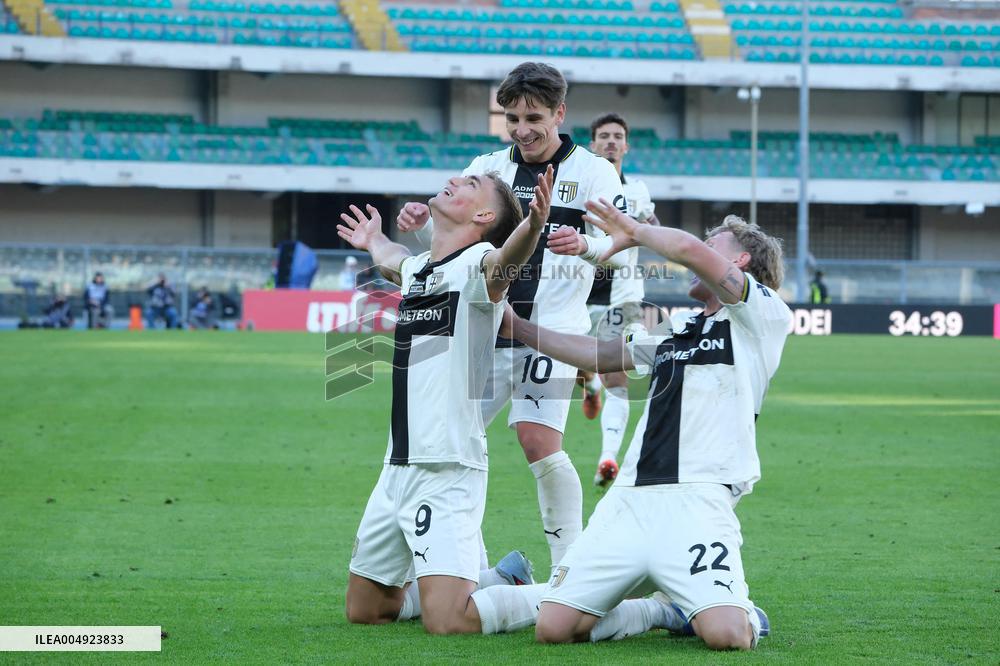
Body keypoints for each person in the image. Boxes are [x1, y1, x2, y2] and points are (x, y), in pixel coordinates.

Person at [469, 206, 790, 651]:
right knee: (554, 628)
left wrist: (636, 232)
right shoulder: (681, 329)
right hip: (629, 499)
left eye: (714, 245)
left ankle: (697, 610)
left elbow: (688, 249)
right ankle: (663, 609)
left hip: (699, 498)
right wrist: (519, 327)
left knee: (729, 636)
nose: (700, 253)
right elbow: (600, 355)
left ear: (739, 264)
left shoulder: (762, 317)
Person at [397, 62, 628, 572]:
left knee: (537, 440)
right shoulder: (489, 166)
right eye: (512, 117)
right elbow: (453, 243)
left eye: (534, 118)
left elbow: (621, 241)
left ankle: (571, 568)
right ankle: (471, 570)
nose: (522, 129)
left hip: (552, 331)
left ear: (559, 113)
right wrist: (416, 226)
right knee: (446, 442)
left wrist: (587, 244)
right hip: (481, 330)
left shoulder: (593, 171)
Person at [341, 166, 564, 635]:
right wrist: (374, 241)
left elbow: (506, 262)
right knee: (366, 611)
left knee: (448, 621)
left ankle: (582, 591)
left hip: (447, 465)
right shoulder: (421, 269)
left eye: (472, 185)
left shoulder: (481, 265)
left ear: (483, 215)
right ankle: (497, 578)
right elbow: (394, 259)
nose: (457, 181)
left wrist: (533, 226)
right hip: (396, 465)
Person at [579, 112, 660, 488]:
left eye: (617, 136)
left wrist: (649, 231)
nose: (611, 141)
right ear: (593, 144)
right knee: (575, 365)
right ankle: (589, 385)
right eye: (604, 136)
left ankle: (607, 457)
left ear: (625, 146)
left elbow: (654, 231)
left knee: (618, 375)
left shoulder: (639, 192)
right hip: (576, 295)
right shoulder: (579, 185)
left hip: (623, 297)